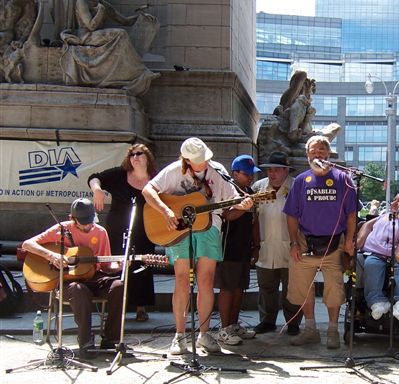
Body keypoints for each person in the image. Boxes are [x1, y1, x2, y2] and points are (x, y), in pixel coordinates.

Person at [142, 138, 253, 356]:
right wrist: (166, 211)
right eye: (197, 161)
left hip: (211, 226)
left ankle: (204, 333)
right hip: (179, 230)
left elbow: (233, 198)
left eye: (204, 160)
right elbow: (148, 190)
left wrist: (244, 203)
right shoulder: (174, 170)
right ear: (186, 159)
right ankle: (180, 335)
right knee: (182, 279)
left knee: (206, 280)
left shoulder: (218, 171)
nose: (203, 164)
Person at [22, 198, 124, 357]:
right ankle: (85, 341)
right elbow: (27, 244)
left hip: (95, 276)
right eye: (82, 222)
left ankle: (110, 339)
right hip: (69, 281)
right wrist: (51, 255)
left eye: (89, 221)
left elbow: (106, 265)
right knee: (79, 290)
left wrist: (118, 266)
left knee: (119, 286)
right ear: (72, 218)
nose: (87, 226)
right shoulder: (60, 229)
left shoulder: (100, 232)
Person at [283, 135, 358, 349]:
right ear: (307, 155)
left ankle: (333, 331)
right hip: (305, 243)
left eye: (321, 151)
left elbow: (352, 215)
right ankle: (310, 329)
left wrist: (350, 241)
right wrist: (294, 243)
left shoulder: (343, 179)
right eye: (313, 151)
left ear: (328, 154)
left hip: (335, 245)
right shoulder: (300, 181)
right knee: (302, 288)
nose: (317, 154)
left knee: (334, 289)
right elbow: (291, 216)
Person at [88, 143, 158, 322]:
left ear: (147, 157)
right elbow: (95, 177)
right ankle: (116, 306)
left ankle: (141, 307)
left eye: (139, 154)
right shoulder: (119, 174)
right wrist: (97, 190)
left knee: (142, 264)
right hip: (118, 228)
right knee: (117, 264)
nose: (135, 157)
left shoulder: (156, 178)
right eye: (132, 154)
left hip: (145, 228)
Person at [60, 0, 159, 96]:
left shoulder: (104, 4)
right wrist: (101, 11)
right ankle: (138, 71)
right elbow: (91, 26)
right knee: (120, 34)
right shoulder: (83, 2)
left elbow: (124, 20)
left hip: (98, 36)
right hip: (86, 37)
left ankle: (132, 71)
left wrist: (141, 17)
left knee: (121, 34)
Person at [251, 151, 302, 335]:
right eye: (269, 170)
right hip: (266, 246)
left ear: (286, 170)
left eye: (277, 170)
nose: (272, 174)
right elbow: (253, 218)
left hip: (290, 247)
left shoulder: (297, 187)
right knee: (266, 288)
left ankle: (293, 322)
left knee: (293, 288)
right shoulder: (258, 187)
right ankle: (267, 321)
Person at [215, 155, 260, 345]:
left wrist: (256, 246)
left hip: (244, 247)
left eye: (252, 174)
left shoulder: (249, 191)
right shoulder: (227, 189)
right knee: (228, 288)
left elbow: (254, 222)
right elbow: (227, 215)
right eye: (246, 173)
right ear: (235, 173)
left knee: (240, 288)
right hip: (228, 247)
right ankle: (224, 329)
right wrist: (244, 206)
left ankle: (233, 325)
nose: (250, 177)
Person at [356, 192, 399, 321]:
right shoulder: (385, 216)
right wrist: (358, 242)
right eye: (394, 201)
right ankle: (377, 301)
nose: (394, 204)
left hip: (397, 255)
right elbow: (367, 225)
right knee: (371, 264)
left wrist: (398, 253)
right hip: (375, 253)